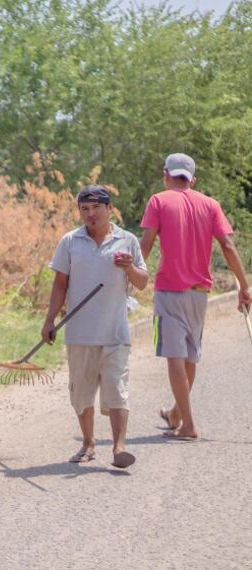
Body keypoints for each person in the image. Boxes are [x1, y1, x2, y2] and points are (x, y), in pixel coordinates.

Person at [139, 153, 251, 442]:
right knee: (190, 355)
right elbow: (227, 245)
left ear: (166, 175)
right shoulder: (210, 204)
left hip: (168, 291)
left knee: (175, 358)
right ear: (193, 180)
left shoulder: (158, 201)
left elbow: (146, 243)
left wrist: (129, 277)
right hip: (200, 295)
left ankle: (188, 425)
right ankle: (176, 414)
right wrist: (244, 285)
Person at [41, 185, 148, 468]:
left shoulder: (127, 241)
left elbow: (142, 282)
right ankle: (88, 443)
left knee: (117, 389)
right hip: (79, 333)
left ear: (110, 208)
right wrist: (50, 320)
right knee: (81, 392)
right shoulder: (70, 242)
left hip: (115, 333)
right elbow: (60, 284)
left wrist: (129, 268)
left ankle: (119, 448)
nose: (91, 214)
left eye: (97, 208)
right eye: (85, 209)